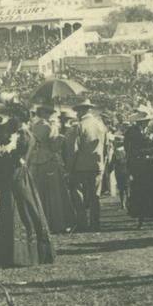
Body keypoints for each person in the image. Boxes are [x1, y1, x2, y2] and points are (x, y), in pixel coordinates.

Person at [0, 98, 55, 267]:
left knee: (21, 212)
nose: (8, 119)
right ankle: (22, 254)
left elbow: (15, 157)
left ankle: (20, 255)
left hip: (16, 178)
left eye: (10, 116)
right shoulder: (21, 134)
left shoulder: (23, 136)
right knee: (25, 211)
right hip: (17, 177)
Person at [63, 98, 108, 233]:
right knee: (95, 196)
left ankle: (82, 223)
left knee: (78, 195)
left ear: (82, 111)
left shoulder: (79, 126)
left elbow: (73, 150)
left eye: (77, 111)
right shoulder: (101, 125)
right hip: (97, 165)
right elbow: (106, 147)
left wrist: (69, 168)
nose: (76, 113)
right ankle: (95, 223)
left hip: (80, 166)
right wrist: (104, 163)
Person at [28, 104, 72, 233]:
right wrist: (61, 137)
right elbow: (54, 147)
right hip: (48, 160)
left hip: (36, 160)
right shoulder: (49, 126)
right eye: (48, 112)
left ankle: (40, 221)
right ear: (43, 113)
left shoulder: (34, 126)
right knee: (54, 192)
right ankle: (55, 222)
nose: (50, 114)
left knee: (39, 192)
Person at [124, 106, 153, 229]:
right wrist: (131, 166)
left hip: (150, 165)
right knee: (139, 192)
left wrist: (143, 152)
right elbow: (129, 150)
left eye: (147, 120)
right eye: (142, 121)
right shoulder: (131, 132)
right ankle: (140, 219)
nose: (145, 123)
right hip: (138, 167)